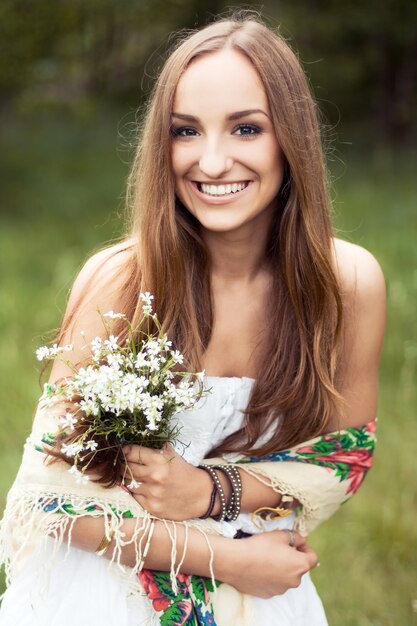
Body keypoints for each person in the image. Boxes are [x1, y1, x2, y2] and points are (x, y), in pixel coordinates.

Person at [0, 14, 385, 626]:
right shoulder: (123, 282)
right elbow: (48, 499)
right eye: (186, 131)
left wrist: (211, 491)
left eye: (245, 128)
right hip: (112, 591)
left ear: (292, 138)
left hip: (260, 594)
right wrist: (225, 560)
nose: (211, 161)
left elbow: (346, 456)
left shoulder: (346, 283)